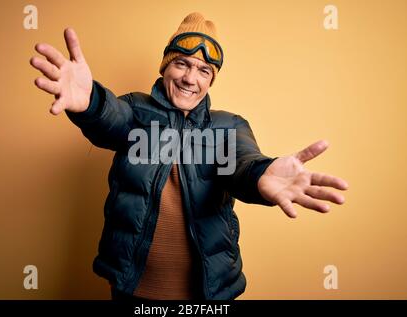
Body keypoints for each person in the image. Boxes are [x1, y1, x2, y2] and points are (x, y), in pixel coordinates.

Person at [30, 12, 348, 300]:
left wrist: (260, 173)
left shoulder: (228, 127)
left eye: (204, 70)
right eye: (182, 63)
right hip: (132, 289)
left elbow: (241, 163)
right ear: (166, 66)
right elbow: (111, 119)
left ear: (211, 80)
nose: (190, 78)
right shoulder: (136, 112)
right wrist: (91, 102)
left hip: (208, 295)